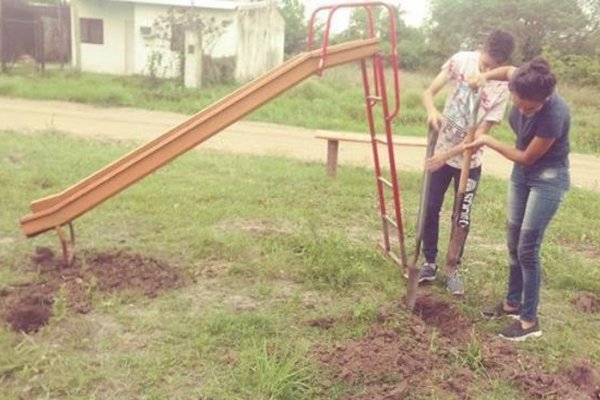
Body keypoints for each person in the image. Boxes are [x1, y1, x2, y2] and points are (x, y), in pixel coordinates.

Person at [466, 57, 570, 341]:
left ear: (544, 99)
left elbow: (527, 156)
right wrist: (483, 77)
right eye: (518, 102)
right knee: (513, 240)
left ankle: (529, 321)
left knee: (527, 249)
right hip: (521, 176)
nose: (523, 109)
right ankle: (512, 303)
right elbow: (506, 70)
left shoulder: (554, 115)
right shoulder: (522, 79)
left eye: (530, 107)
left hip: (547, 179)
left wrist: (489, 140)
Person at [419, 30, 516, 295]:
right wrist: (432, 111)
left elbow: (481, 135)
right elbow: (429, 93)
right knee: (430, 207)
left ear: (502, 62)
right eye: (485, 63)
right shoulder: (461, 60)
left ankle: (452, 269)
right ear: (482, 48)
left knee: (461, 216)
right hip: (441, 150)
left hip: (470, 161)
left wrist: (446, 156)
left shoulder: (502, 85)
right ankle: (429, 262)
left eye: (493, 66)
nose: (487, 68)